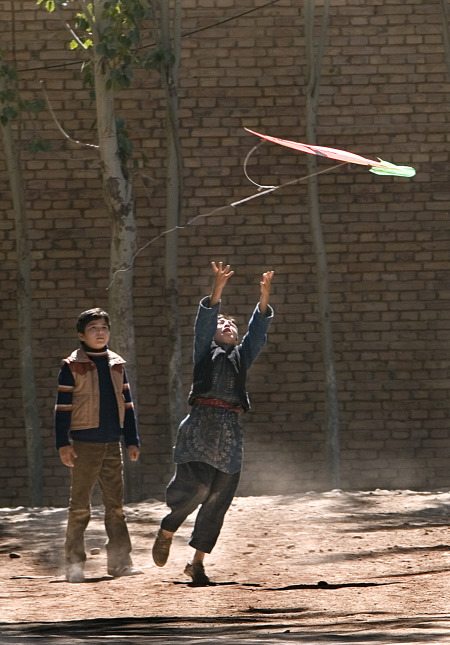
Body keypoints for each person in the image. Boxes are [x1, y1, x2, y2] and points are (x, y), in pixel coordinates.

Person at [152, 261, 274, 585]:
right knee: (198, 487)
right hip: (199, 429)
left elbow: (257, 335)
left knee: (218, 499)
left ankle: (197, 563)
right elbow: (203, 325)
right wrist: (217, 290)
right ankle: (168, 528)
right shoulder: (204, 353)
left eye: (232, 326)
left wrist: (263, 300)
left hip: (230, 434)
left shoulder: (241, 358)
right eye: (223, 324)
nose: (228, 327)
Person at [54, 307, 142, 583]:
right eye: (93, 328)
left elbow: (127, 406)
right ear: (82, 335)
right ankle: (74, 564)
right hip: (83, 445)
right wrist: (63, 444)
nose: (100, 332)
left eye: (104, 327)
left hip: (112, 444)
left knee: (115, 506)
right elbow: (62, 409)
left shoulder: (117, 364)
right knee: (80, 505)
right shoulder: (72, 366)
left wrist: (131, 440)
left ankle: (120, 563)